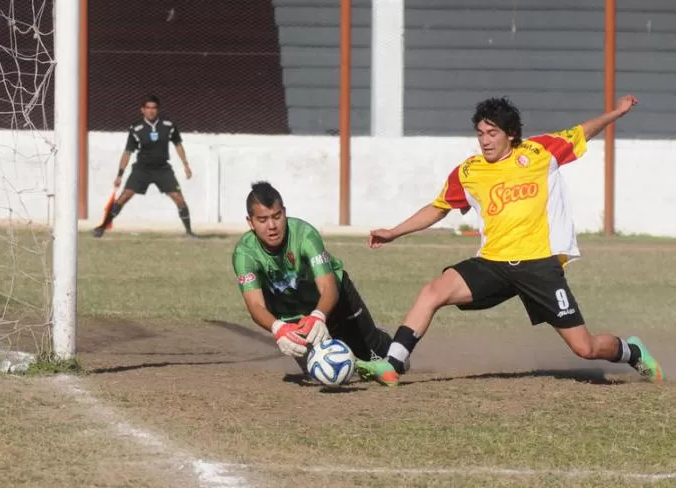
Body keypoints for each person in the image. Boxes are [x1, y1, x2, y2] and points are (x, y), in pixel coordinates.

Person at [353, 95, 664, 387]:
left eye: (492, 132)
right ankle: (393, 363)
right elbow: (438, 208)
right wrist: (394, 232)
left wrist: (616, 113)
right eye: (480, 133)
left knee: (585, 347)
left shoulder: (541, 151)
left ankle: (632, 352)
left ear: (511, 134)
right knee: (432, 291)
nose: (485, 140)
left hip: (539, 266)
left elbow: (582, 132)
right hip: (493, 263)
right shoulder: (469, 171)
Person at [232, 181, 392, 367]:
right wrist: (278, 329)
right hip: (291, 316)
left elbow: (328, 287)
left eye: (277, 216)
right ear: (250, 222)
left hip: (335, 299)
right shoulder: (244, 254)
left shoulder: (305, 235)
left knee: (371, 353)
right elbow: (255, 305)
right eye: (262, 220)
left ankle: (387, 344)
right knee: (320, 369)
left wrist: (318, 316)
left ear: (284, 212)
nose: (272, 225)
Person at [93, 94, 196, 238]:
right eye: (148, 108)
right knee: (124, 197)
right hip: (142, 169)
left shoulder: (168, 126)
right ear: (142, 110)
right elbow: (127, 152)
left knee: (178, 198)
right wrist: (120, 174)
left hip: (162, 169)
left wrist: (186, 165)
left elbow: (178, 144)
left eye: (154, 108)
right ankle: (103, 227)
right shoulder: (136, 128)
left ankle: (189, 232)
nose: (151, 111)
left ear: (158, 109)